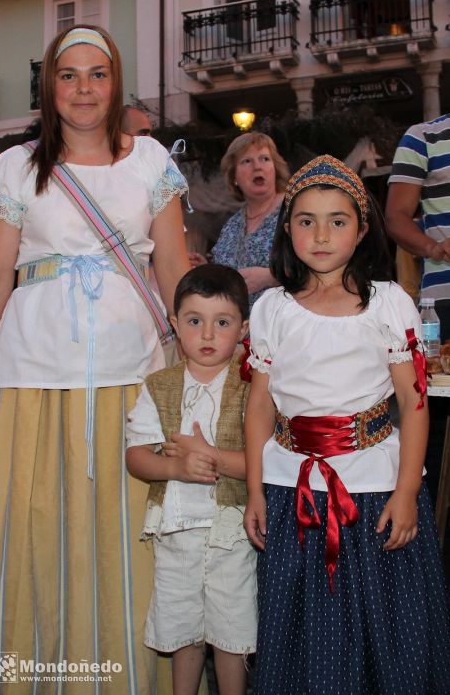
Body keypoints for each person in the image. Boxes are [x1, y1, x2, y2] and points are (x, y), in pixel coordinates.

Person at [0, 24, 190, 694]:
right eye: (69, 74)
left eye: (97, 73)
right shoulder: (13, 167)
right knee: (36, 539)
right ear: (49, 87)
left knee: (130, 539)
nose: (84, 88)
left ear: (115, 81)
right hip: (34, 375)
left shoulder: (151, 160)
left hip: (134, 374)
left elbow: (175, 268)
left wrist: (196, 371)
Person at [244, 155, 450, 695]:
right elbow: (260, 407)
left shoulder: (389, 302)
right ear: (287, 229)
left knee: (387, 625)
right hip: (293, 490)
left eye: (338, 220)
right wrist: (254, 490)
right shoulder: (272, 309)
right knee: (300, 622)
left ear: (361, 231)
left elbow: (414, 402)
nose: (320, 234)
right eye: (306, 220)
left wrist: (407, 492)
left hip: (375, 489)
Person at [126, 264, 257, 695]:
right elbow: (137, 456)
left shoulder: (253, 387)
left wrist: (214, 459)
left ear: (243, 328)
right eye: (194, 321)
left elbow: (266, 461)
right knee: (184, 632)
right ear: (174, 324)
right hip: (177, 529)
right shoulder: (159, 385)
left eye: (222, 323)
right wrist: (176, 469)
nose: (206, 335)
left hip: (232, 532)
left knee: (230, 632)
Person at [386, 114, 450, 501]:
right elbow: (396, 216)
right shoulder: (424, 137)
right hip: (444, 301)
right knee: (439, 433)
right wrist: (433, 247)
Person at [190, 132, 289, 308]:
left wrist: (271, 277)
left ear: (275, 168)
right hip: (241, 330)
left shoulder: (296, 210)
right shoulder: (232, 225)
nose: (257, 166)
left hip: (286, 327)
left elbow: (324, 266)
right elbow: (228, 276)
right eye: (246, 161)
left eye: (265, 159)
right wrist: (207, 269)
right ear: (234, 177)